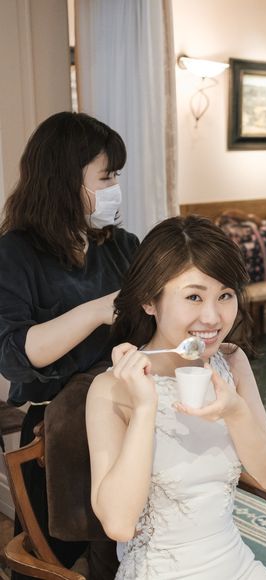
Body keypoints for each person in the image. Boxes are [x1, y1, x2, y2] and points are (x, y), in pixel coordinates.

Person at [86, 215, 266, 579]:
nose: (212, 317)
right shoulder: (110, 388)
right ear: (149, 300)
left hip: (235, 562)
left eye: (225, 295)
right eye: (194, 297)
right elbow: (118, 524)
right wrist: (145, 408)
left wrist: (236, 411)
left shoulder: (231, 361)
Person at [0, 111, 140, 578]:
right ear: (64, 180)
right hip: (55, 433)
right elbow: (15, 354)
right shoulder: (15, 254)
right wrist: (98, 310)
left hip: (126, 419)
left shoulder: (120, 245)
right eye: (107, 176)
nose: (116, 186)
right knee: (52, 558)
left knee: (119, 547)